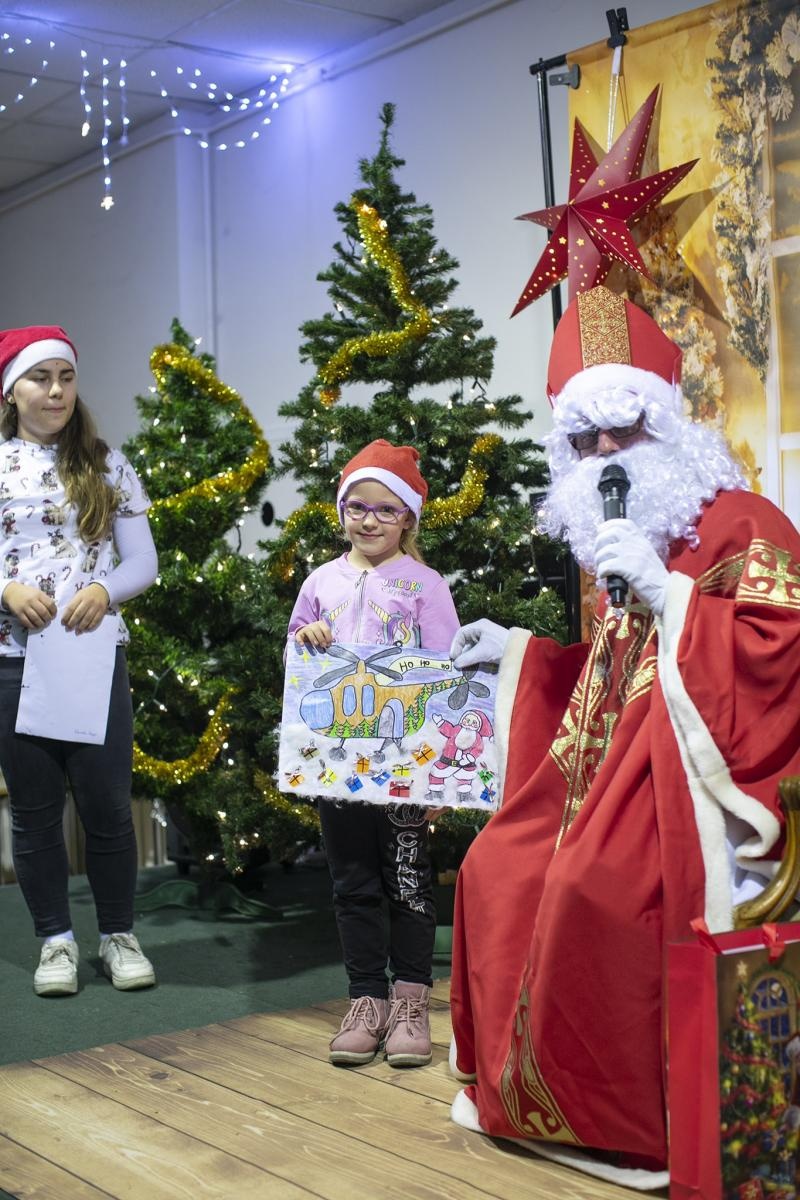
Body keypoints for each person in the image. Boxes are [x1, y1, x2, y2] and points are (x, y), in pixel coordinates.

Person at [446, 286, 800, 1187]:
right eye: (583, 440)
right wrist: (519, 656)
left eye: (624, 431)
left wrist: (672, 595)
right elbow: (605, 676)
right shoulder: (616, 536)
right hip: (604, 768)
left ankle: (630, 1123)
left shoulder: (742, 525)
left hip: (690, 777)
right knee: (497, 864)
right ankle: (527, 1095)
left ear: (670, 424)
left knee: (587, 887)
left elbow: (779, 651)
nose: (605, 455)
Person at [288, 438, 459, 1067]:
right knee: (352, 883)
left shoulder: (426, 585)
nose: (369, 520)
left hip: (405, 768)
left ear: (408, 518)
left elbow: (448, 676)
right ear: (341, 511)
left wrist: (438, 777)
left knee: (409, 884)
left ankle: (411, 1000)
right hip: (338, 769)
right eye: (357, 506)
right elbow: (296, 665)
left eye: (386, 510)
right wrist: (304, 636)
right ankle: (367, 1000)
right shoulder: (320, 582)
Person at [0, 325, 159, 997]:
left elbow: (144, 562)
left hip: (93, 660)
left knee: (106, 806)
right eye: (40, 379)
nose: (56, 391)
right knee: (34, 812)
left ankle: (118, 935)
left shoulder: (103, 460)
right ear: (12, 392)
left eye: (65, 377)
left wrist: (103, 589)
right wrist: (4, 589)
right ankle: (55, 942)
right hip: (13, 660)